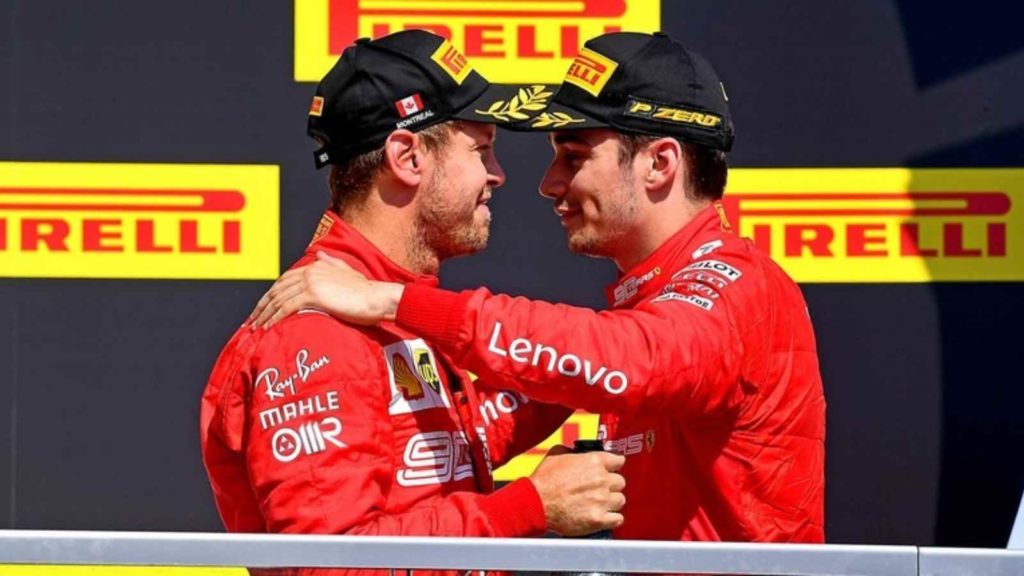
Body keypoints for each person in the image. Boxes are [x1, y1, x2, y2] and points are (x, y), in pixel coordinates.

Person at [251, 31, 826, 544]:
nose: (546, 185)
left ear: (660, 164)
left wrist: (397, 300)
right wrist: (531, 500)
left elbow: (634, 362)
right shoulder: (659, 299)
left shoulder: (735, 283)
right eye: (484, 150)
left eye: (573, 157)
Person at [199, 30, 627, 573]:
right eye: (481, 149)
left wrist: (593, 367)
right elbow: (330, 565)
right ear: (407, 156)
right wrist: (531, 505)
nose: (499, 174)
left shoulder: (382, 306)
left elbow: (437, 452)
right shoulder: (317, 333)